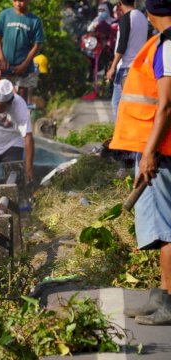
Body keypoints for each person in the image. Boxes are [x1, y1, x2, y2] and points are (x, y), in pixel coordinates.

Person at [109, 0, 171, 326]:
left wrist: (149, 152)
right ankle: (162, 295)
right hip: (158, 146)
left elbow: (166, 104)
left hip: (162, 149)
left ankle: (167, 302)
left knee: (165, 228)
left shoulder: (169, 44)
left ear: (150, 13)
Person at [0, 0, 45, 102]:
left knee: (21, 99)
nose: (17, 4)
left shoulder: (35, 20)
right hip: (6, 66)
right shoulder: (4, 15)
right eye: (15, 0)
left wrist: (25, 64)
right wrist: (2, 59)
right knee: (3, 97)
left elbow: (37, 45)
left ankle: (20, 117)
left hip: (25, 68)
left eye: (21, 1)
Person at [105, 0, 148, 121]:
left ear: (119, 4)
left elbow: (122, 45)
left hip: (125, 69)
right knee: (130, 104)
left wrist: (112, 67)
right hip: (139, 67)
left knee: (118, 104)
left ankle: (121, 135)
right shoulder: (142, 17)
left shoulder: (126, 18)